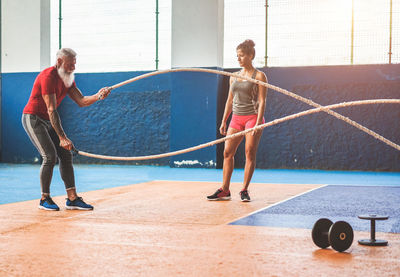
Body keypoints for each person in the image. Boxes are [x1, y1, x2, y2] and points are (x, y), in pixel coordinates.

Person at [22, 48, 111, 211]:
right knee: (49, 156)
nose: (73, 68)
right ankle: (44, 198)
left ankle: (72, 199)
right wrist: (62, 138)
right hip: (33, 118)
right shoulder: (48, 76)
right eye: (70, 64)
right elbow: (51, 109)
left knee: (65, 153)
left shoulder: (68, 78)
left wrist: (98, 96)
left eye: (75, 64)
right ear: (59, 62)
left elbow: (82, 100)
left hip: (48, 120)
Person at [207, 39, 267, 202]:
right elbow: (229, 100)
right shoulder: (233, 77)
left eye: (241, 56)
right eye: (237, 56)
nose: (238, 59)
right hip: (237, 118)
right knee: (227, 152)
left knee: (249, 152)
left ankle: (244, 190)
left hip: (252, 117)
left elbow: (262, 101)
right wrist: (224, 121)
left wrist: (257, 123)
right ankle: (225, 190)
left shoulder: (259, 76)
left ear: (250, 55)